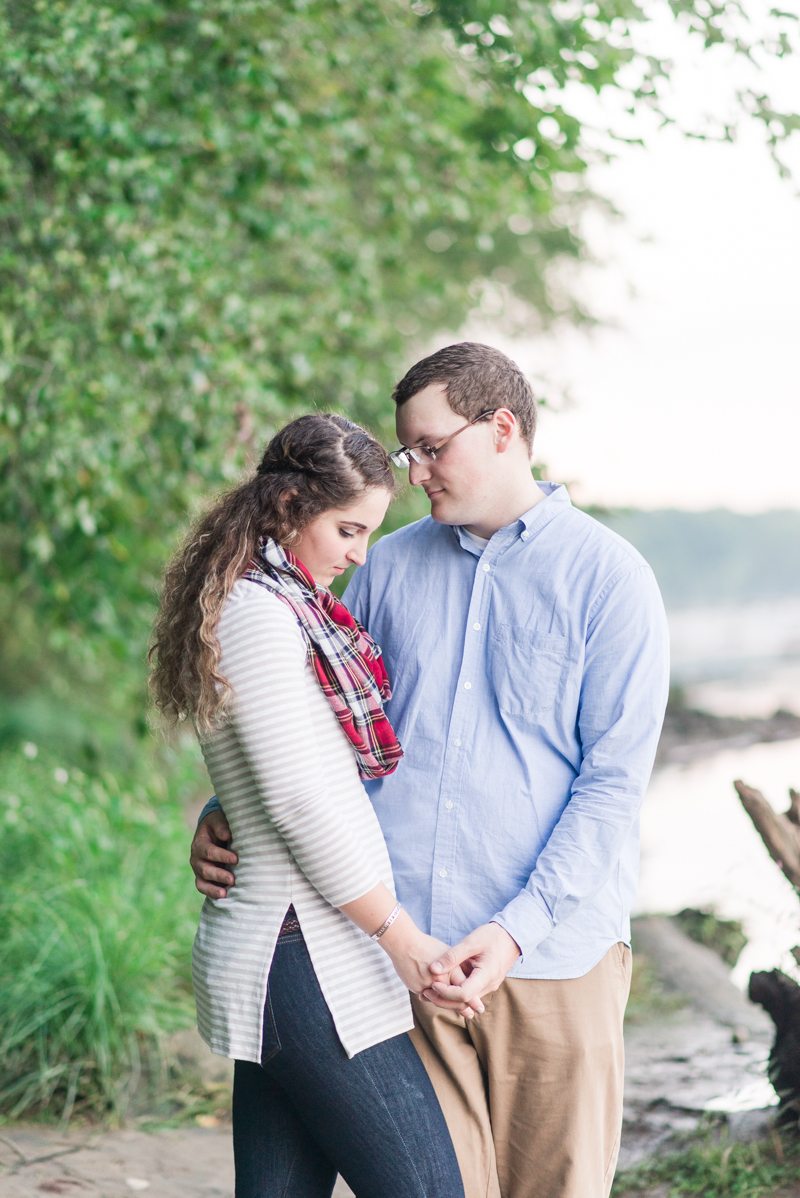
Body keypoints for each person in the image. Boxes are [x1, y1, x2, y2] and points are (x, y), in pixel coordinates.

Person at [193, 345, 670, 1198]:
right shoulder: (381, 567)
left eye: (429, 447)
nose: (414, 473)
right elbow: (301, 732)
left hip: (554, 961)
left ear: (501, 429)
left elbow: (611, 788)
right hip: (402, 962)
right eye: (407, 452)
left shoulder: (612, 582)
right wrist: (229, 813)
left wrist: (518, 927)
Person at [151, 412, 467, 1198]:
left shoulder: (278, 603)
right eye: (348, 529)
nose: (359, 554)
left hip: (296, 945)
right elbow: (294, 799)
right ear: (290, 508)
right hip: (301, 949)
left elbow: (271, 774)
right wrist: (400, 937)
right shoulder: (261, 614)